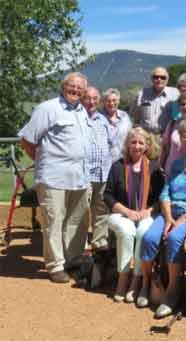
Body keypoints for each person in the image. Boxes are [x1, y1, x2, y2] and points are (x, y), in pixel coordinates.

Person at [18, 72, 90, 283]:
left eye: (79, 88)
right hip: (54, 177)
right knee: (53, 221)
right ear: (63, 86)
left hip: (79, 177)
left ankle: (73, 259)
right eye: (71, 86)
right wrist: (44, 162)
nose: (75, 90)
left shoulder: (81, 111)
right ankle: (55, 266)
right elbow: (27, 140)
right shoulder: (48, 108)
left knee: (77, 221)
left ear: (84, 91)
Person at [139, 119, 186, 317]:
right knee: (148, 238)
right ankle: (146, 284)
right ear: (180, 139)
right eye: (185, 137)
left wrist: (184, 218)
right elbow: (165, 192)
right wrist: (169, 216)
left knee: (173, 239)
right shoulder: (176, 163)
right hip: (170, 213)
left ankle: (173, 290)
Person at [104, 127, 164, 302]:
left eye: (140, 142)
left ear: (147, 146)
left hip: (147, 214)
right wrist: (127, 212)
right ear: (127, 145)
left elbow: (161, 197)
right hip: (121, 214)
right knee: (126, 230)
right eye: (133, 142)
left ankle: (137, 279)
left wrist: (148, 211)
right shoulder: (118, 166)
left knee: (143, 233)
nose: (137, 146)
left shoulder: (154, 168)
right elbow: (107, 195)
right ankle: (123, 277)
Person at [81, 86, 113, 252]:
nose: (91, 102)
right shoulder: (77, 118)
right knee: (80, 211)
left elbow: (111, 143)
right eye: (87, 98)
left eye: (94, 98)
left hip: (103, 173)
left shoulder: (103, 119)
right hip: (83, 174)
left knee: (101, 209)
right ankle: (78, 245)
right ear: (81, 99)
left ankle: (99, 241)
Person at [161, 93, 186, 177]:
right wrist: (161, 165)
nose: (185, 107)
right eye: (183, 104)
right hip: (171, 171)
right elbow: (165, 147)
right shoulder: (172, 124)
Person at [130, 66, 179, 135]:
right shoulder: (142, 94)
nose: (159, 79)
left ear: (167, 79)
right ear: (152, 79)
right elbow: (134, 116)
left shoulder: (175, 94)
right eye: (156, 77)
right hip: (146, 136)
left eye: (163, 77)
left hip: (165, 137)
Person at [101, 88, 133, 162]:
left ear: (118, 101)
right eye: (108, 101)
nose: (111, 103)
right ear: (104, 102)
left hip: (124, 159)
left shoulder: (125, 116)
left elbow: (130, 136)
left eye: (114, 100)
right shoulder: (98, 118)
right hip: (106, 161)